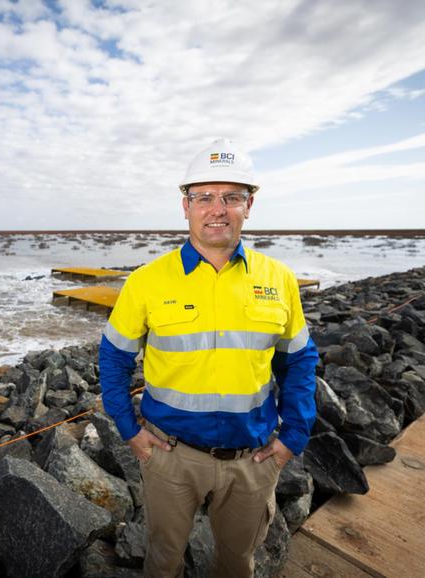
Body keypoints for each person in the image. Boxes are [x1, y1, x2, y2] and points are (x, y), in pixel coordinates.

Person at [99, 137, 318, 577]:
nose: (217, 209)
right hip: (170, 456)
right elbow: (113, 359)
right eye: (204, 197)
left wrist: (292, 437)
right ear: (186, 205)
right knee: (163, 561)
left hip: (254, 460)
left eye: (231, 197)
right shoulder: (146, 282)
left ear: (249, 204)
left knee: (237, 563)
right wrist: (130, 431)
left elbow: (298, 361)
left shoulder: (279, 279)